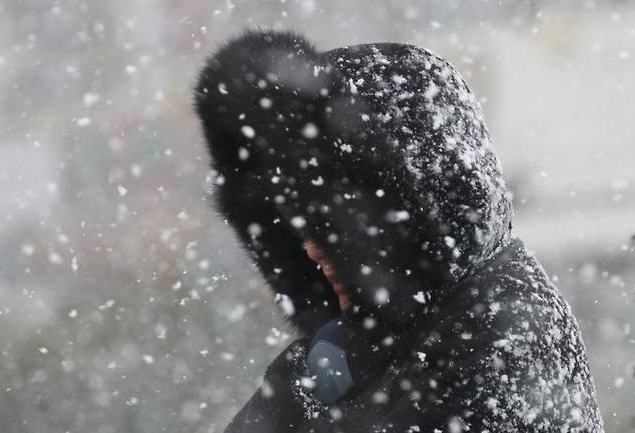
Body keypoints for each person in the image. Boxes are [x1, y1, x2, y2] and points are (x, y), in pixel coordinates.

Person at [194, 29, 604, 433]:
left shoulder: (496, 354)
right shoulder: (341, 356)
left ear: (411, 216)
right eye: (298, 225)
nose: (313, 251)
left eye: (332, 222)